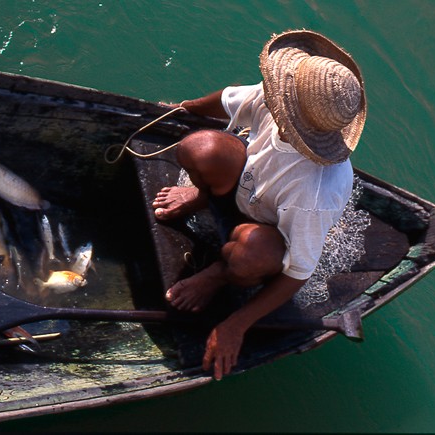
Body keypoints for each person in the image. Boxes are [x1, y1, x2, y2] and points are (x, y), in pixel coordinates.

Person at [151, 30, 367, 380]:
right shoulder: (281, 98)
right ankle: (201, 196)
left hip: (266, 233)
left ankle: (219, 273)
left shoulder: (315, 192)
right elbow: (227, 100)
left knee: (252, 253)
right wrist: (181, 109)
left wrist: (236, 324)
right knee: (199, 147)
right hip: (241, 186)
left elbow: (298, 272)